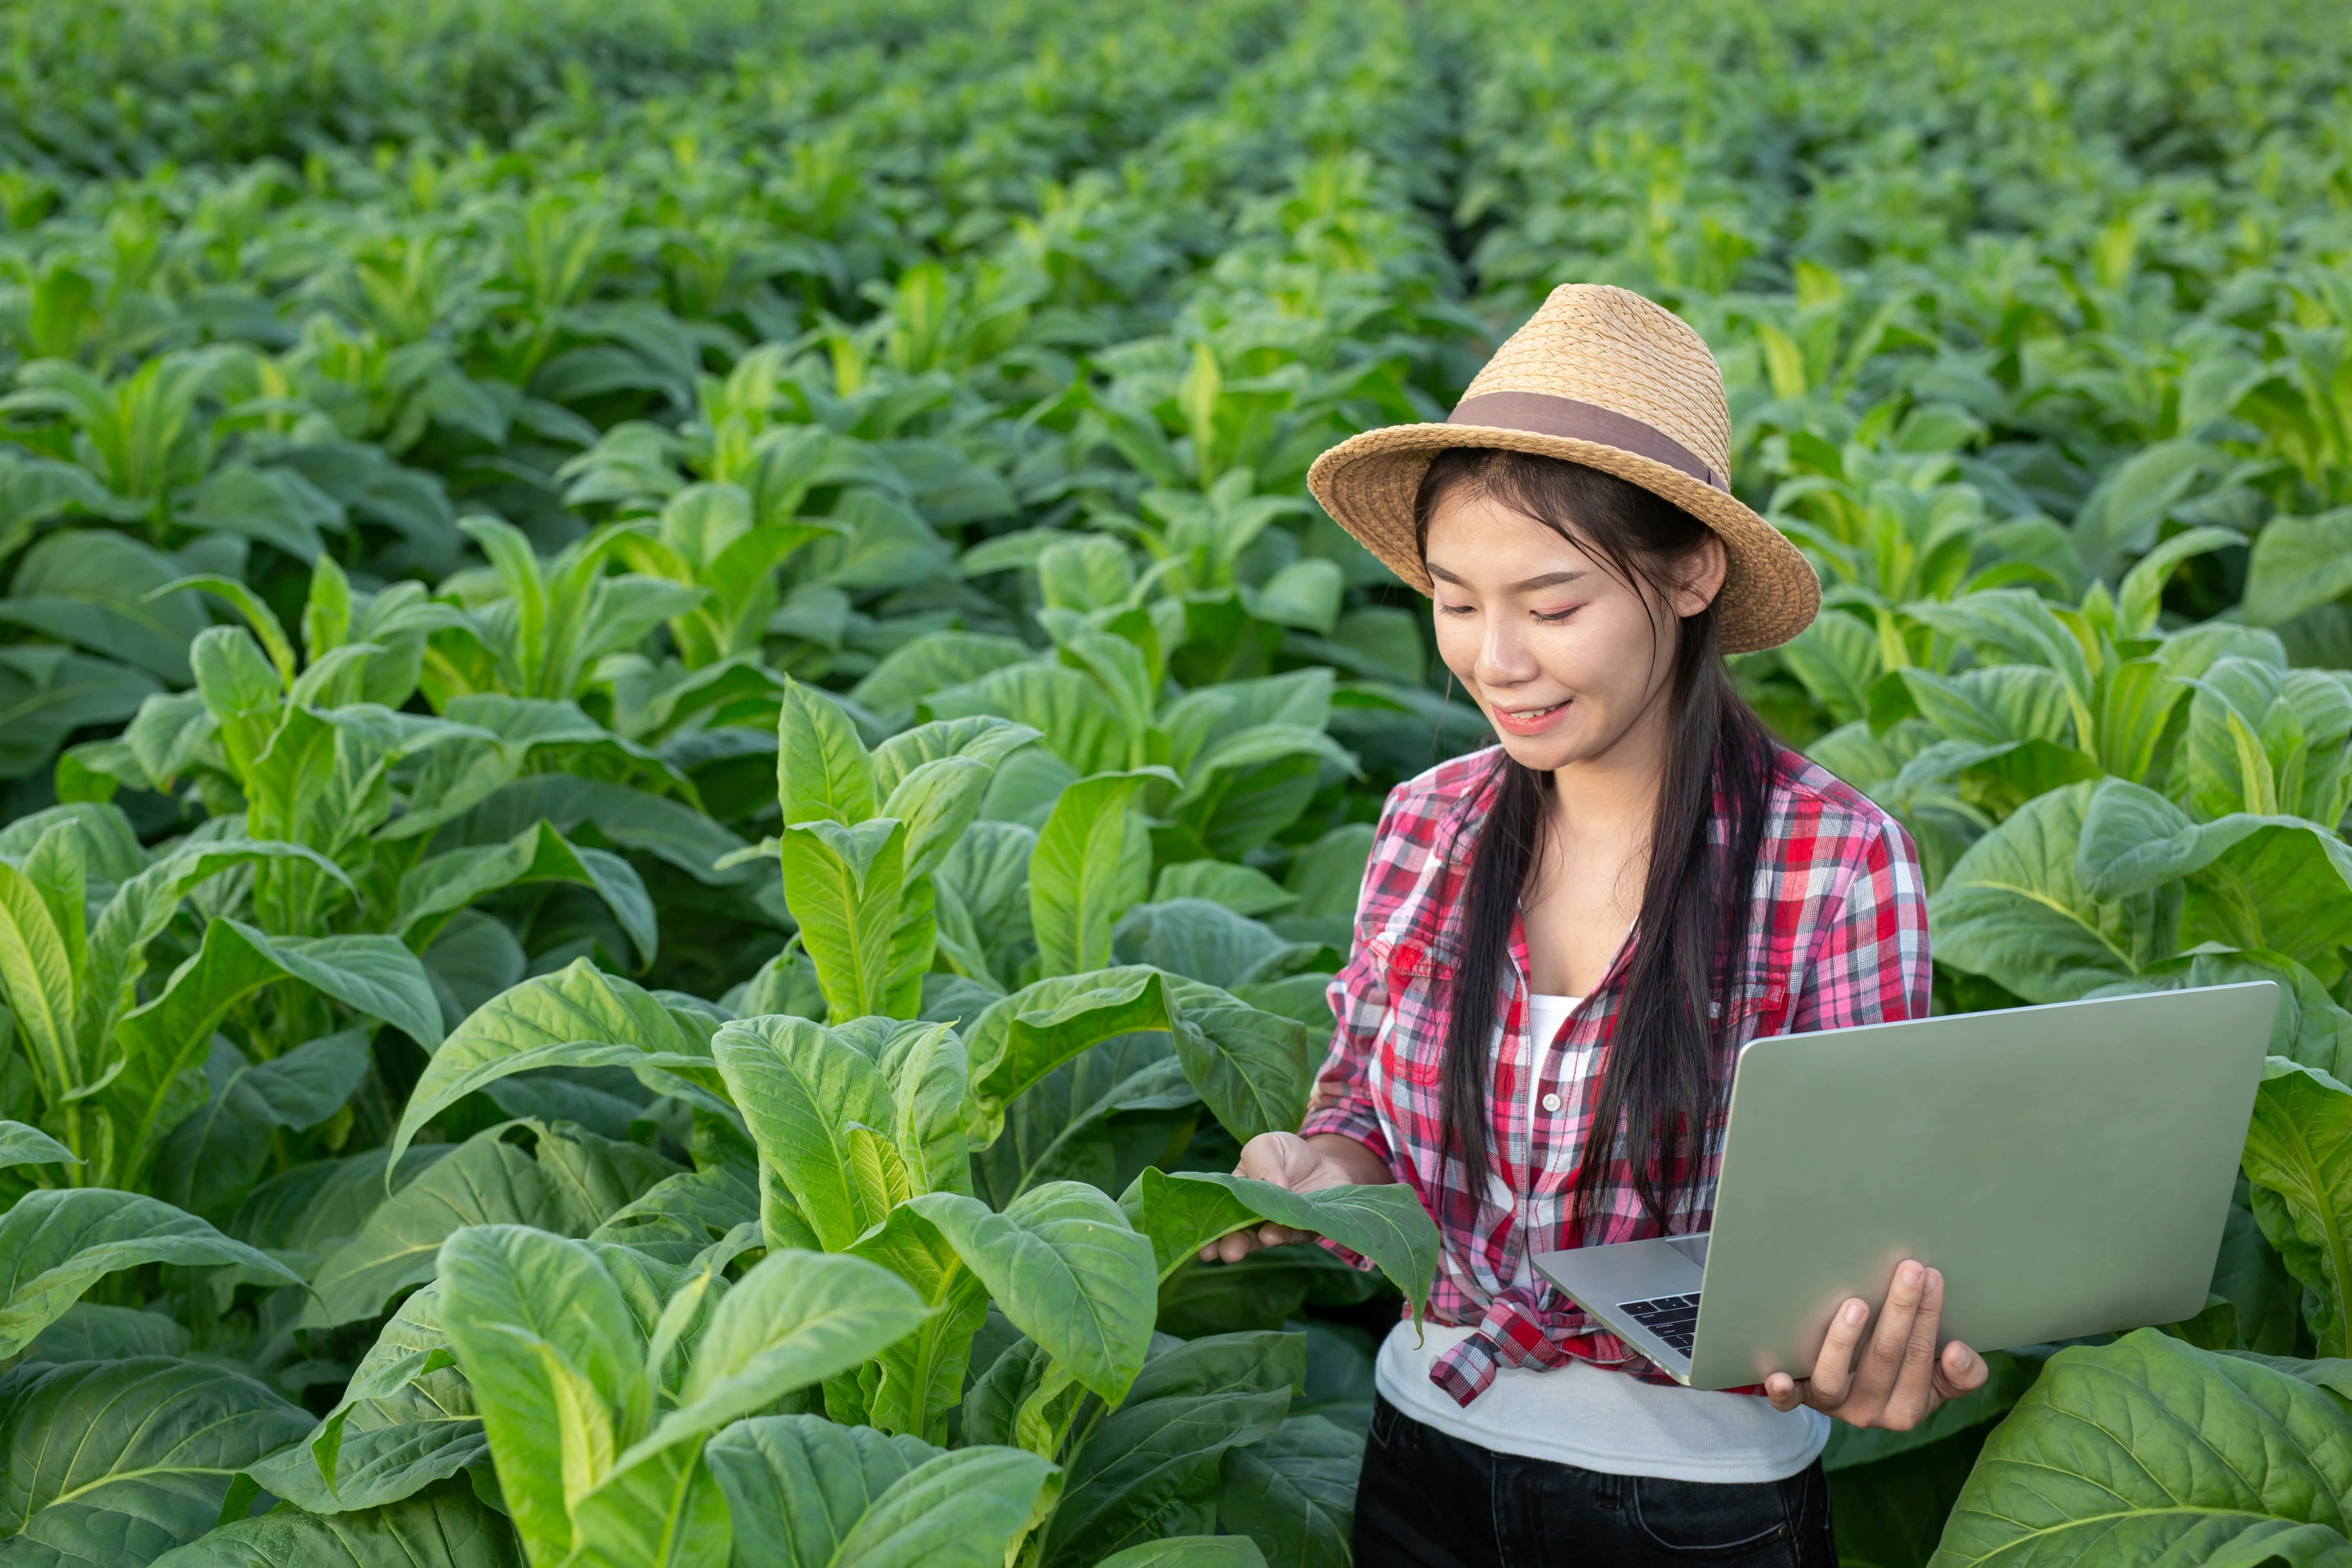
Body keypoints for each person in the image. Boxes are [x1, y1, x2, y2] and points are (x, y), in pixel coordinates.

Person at [1201, 284, 1988, 1566]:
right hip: (1421, 1454)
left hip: (1694, 1506)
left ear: (1690, 573)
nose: (1495, 658)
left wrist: (1876, 1338)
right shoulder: (1427, 825)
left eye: (1553, 606)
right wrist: (1320, 1177)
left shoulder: (1835, 862)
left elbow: (1866, 1224)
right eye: (1457, 602)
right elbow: (1363, 1120)